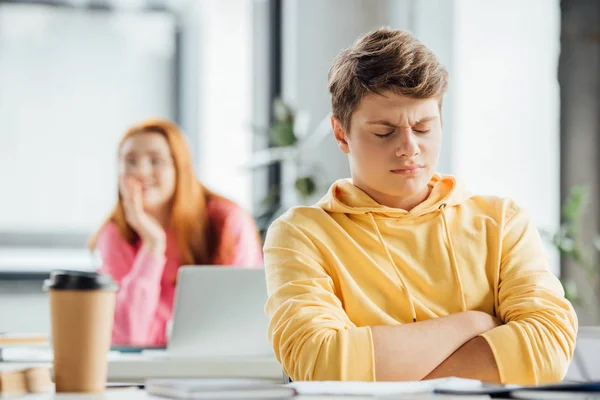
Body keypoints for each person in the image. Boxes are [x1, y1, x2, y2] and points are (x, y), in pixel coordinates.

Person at [263, 28, 577, 385]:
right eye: (384, 132)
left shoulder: (502, 222)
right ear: (340, 134)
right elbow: (321, 366)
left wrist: (377, 373)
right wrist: (471, 323)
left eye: (424, 128)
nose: (409, 147)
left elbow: (547, 351)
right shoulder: (301, 234)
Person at [89, 118, 263, 347]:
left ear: (180, 168)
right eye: (130, 161)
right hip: (147, 372)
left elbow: (244, 318)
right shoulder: (114, 234)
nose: (141, 171)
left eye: (155, 160)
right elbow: (128, 337)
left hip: (220, 363)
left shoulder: (227, 221)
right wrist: (153, 244)